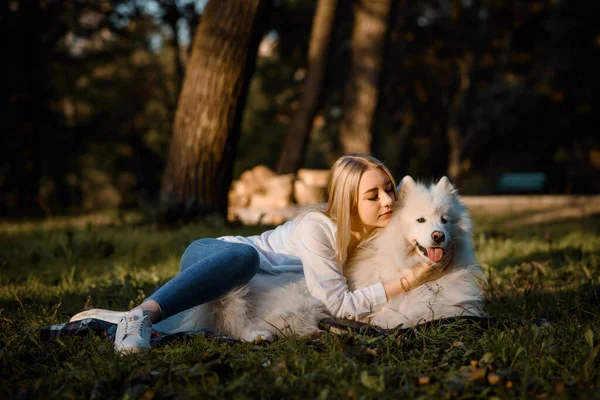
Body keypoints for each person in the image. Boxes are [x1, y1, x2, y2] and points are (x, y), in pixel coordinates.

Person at [93, 154, 450, 354]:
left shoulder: (373, 234)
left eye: (388, 189)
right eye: (373, 195)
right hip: (217, 256)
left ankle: (121, 317)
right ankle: (138, 317)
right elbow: (340, 304)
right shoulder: (318, 226)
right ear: (349, 201)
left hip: (256, 284)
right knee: (244, 259)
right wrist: (406, 281)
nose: (388, 200)